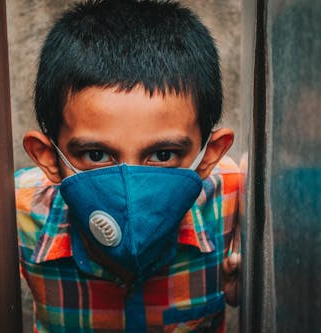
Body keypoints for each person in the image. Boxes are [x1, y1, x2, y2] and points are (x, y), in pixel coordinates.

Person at [15, 0, 241, 331]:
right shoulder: (13, 217)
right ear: (48, 157)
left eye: (163, 155)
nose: (129, 189)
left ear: (209, 155)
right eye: (96, 155)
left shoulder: (236, 200)